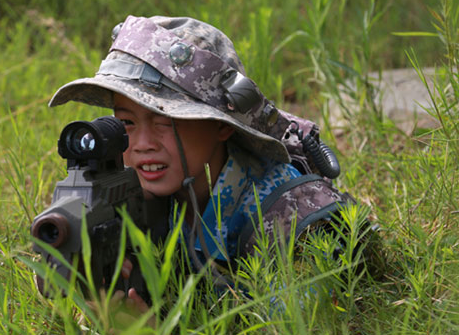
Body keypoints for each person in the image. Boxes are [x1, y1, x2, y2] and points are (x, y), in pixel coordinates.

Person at [47, 15, 354, 308]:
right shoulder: (139, 198)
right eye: (126, 122)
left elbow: (297, 329)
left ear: (221, 125)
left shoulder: (287, 215)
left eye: (166, 121)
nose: (141, 145)